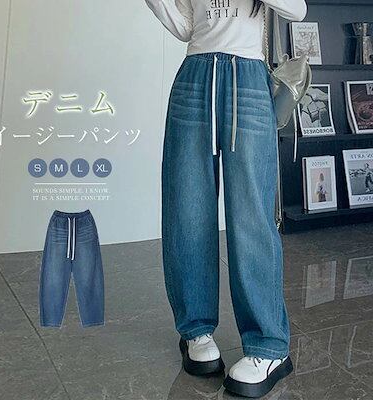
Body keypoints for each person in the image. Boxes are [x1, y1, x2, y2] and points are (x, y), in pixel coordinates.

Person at [144, 0, 307, 397]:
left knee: (251, 217)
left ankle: (269, 347)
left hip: (248, 78)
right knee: (186, 209)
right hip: (195, 76)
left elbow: (297, 9)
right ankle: (195, 331)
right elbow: (186, 28)